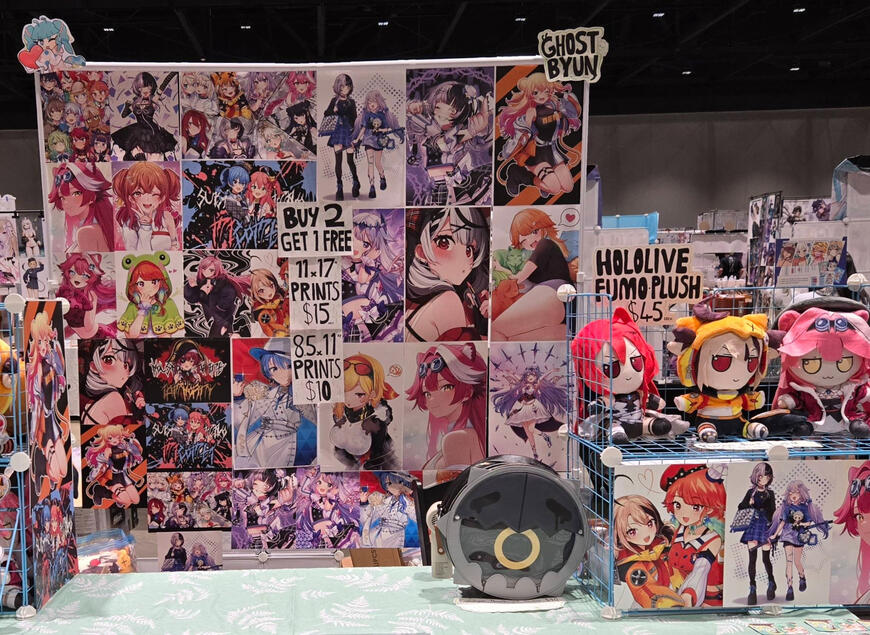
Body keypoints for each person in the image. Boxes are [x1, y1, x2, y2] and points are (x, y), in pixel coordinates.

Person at [405, 207, 490, 341]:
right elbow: (465, 351)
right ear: (421, 252)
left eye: (469, 250)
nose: (461, 261)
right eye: (444, 243)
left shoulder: (417, 304)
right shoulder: (448, 300)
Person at [406, 343, 486, 470]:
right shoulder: (469, 435)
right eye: (427, 393)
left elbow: (457, 482)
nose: (432, 398)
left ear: (467, 392)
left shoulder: (457, 438)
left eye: (446, 387)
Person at [112, 162, 181, 251]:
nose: (147, 199)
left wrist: (173, 249)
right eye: (138, 193)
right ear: (131, 198)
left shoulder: (166, 217)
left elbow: (175, 244)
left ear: (162, 198)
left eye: (154, 194)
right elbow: (134, 252)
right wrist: (145, 227)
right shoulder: (130, 223)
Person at [112, 71, 178, 161]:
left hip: (152, 131)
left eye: (148, 87)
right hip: (136, 132)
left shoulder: (153, 100)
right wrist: (127, 106)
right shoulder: (135, 102)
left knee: (155, 155)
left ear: (151, 88)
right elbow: (124, 115)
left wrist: (174, 72)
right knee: (133, 155)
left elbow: (164, 84)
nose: (145, 90)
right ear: (138, 89)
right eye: (142, 88)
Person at [184, 256, 250, 337]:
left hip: (223, 319)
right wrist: (193, 287)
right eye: (203, 268)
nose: (205, 271)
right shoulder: (201, 281)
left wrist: (208, 296)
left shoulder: (224, 283)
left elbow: (227, 299)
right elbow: (193, 298)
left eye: (211, 270)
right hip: (214, 320)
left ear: (217, 270)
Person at [324, 74, 360, 201]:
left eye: (347, 86)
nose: (345, 89)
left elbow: (355, 119)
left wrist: (355, 137)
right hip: (338, 133)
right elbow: (326, 114)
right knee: (338, 160)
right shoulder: (334, 101)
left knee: (350, 160)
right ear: (338, 87)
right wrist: (333, 110)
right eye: (343, 86)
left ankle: (355, 181)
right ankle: (339, 186)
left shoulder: (352, 102)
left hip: (349, 133)